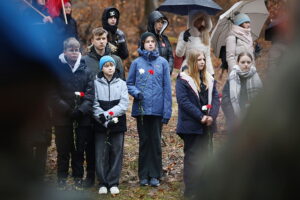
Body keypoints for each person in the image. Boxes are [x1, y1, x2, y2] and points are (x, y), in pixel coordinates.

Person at [127, 32, 172, 187]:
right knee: (144, 141)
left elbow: (167, 88)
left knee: (155, 142)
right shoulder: (136, 63)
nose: (151, 44)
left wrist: (167, 111)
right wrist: (136, 93)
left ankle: (155, 174)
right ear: (142, 44)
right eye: (147, 42)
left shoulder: (163, 63)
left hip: (158, 110)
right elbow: (129, 83)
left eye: (153, 41)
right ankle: (143, 175)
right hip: (142, 110)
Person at [49, 37, 94, 190]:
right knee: (63, 150)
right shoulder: (57, 70)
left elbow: (90, 94)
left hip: (81, 118)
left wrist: (81, 110)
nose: (74, 53)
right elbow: (53, 94)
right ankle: (62, 177)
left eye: (76, 50)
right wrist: (67, 110)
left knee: (79, 150)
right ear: (65, 52)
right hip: (62, 118)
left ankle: (78, 177)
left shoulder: (85, 70)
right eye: (71, 50)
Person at [175, 50, 220, 199]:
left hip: (207, 124)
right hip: (191, 125)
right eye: (199, 59)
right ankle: (191, 189)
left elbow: (215, 99)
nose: (202, 62)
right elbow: (184, 102)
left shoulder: (209, 79)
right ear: (192, 62)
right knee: (192, 158)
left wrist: (211, 117)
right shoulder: (183, 80)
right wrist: (200, 117)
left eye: (203, 59)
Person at [93, 56, 129, 195]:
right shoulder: (96, 83)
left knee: (116, 151)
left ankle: (113, 182)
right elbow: (94, 103)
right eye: (106, 65)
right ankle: (103, 182)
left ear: (115, 67)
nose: (109, 68)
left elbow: (124, 104)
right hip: (100, 122)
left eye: (111, 65)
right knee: (101, 152)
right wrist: (103, 118)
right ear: (101, 68)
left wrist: (108, 114)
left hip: (117, 122)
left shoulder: (121, 83)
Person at [221, 52, 262, 130]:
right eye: (243, 62)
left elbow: (261, 99)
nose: (246, 64)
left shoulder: (255, 77)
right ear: (238, 63)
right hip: (235, 117)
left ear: (252, 63)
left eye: (248, 62)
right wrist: (234, 117)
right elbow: (225, 100)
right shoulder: (233, 77)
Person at [176, 11, 214, 76]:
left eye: (202, 19)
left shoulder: (206, 35)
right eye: (198, 19)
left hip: (202, 71)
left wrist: (211, 72)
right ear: (192, 20)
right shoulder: (185, 34)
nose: (200, 21)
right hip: (188, 70)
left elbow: (207, 57)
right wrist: (184, 40)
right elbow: (179, 54)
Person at [147, 11, 174, 75]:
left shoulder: (164, 39)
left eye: (162, 22)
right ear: (152, 22)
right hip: (151, 75)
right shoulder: (146, 38)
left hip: (165, 74)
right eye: (158, 21)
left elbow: (170, 56)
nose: (160, 24)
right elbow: (143, 58)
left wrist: (168, 70)